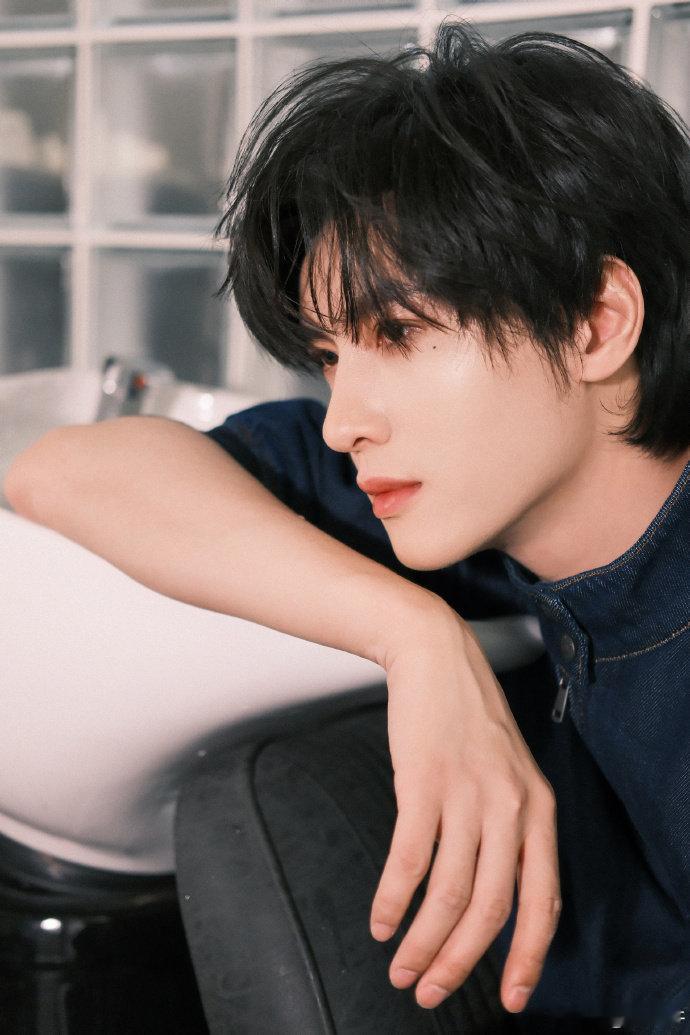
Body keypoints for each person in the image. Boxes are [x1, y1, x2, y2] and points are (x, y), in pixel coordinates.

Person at [5, 20, 689, 1031]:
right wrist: (415, 635)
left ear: (596, 323)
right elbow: (63, 469)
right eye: (331, 356)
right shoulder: (480, 520)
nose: (343, 421)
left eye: (398, 334)